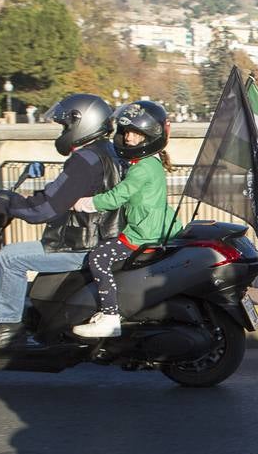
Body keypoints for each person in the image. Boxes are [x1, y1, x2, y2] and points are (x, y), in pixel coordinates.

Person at [0, 93, 121, 349]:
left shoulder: (84, 160)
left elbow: (45, 210)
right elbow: (61, 195)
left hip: (83, 243)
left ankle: (7, 327)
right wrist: (23, 199)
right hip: (104, 238)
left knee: (10, 257)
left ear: (81, 123)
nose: (63, 131)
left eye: (65, 126)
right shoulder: (107, 151)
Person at [71, 101, 182, 338]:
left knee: (98, 257)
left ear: (148, 136)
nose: (129, 138)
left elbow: (117, 197)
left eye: (136, 134)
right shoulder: (150, 162)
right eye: (127, 132)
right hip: (156, 226)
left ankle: (110, 316)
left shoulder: (141, 168)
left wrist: (85, 202)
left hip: (143, 233)